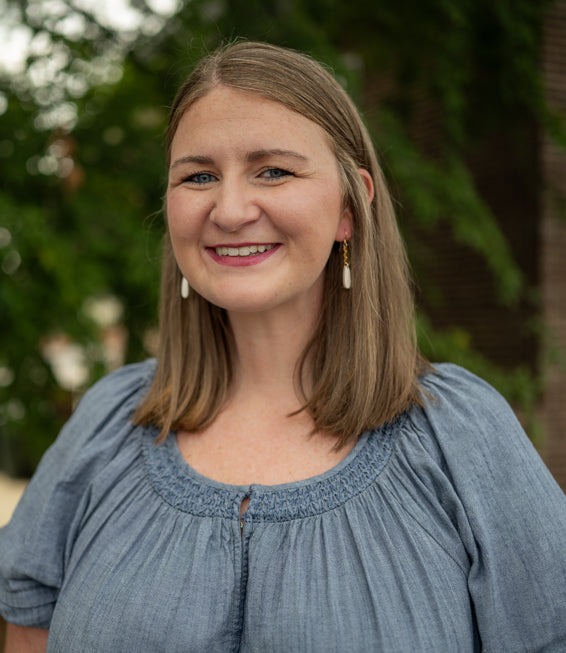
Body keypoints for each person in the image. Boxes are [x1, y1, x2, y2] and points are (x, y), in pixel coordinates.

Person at [1, 41, 566, 653]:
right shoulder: (108, 422)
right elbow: (28, 633)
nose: (231, 209)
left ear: (351, 207)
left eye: (274, 170)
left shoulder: (461, 435)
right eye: (198, 176)